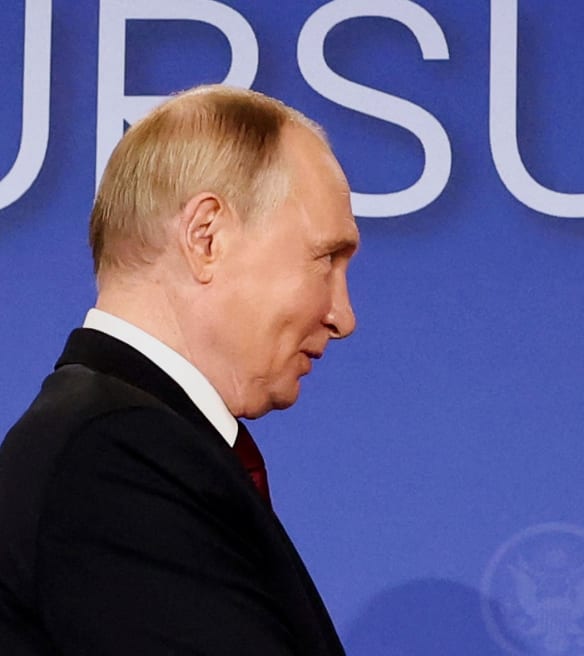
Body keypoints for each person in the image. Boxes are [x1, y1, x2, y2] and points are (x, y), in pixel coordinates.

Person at [0, 85, 357, 654]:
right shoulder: (114, 460)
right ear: (205, 236)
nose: (343, 315)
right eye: (325, 260)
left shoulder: (124, 442)